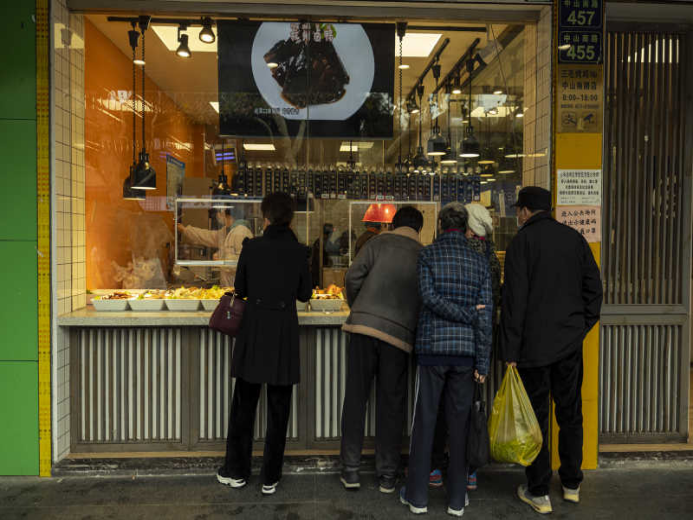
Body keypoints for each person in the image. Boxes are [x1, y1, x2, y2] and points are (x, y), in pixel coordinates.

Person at [500, 187, 602, 514]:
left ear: (527, 211)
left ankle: (539, 490)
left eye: (519, 210)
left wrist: (510, 351)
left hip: (533, 348)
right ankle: (572, 483)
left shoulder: (522, 243)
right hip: (569, 347)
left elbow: (514, 303)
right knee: (570, 413)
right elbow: (594, 291)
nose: (518, 215)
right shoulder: (574, 240)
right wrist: (578, 329)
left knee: (536, 419)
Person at [216, 192, 312, 496]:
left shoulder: (252, 247)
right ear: (292, 218)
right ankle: (271, 476)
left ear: (265, 217)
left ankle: (237, 471)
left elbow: (240, 288)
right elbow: (305, 294)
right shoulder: (299, 251)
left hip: (254, 331)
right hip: (283, 332)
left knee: (244, 404)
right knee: (278, 408)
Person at [401, 202, 493, 517]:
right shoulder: (479, 262)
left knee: (425, 423)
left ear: (439, 225)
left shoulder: (427, 255)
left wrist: (460, 312)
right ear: (464, 225)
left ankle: (417, 497)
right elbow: (485, 316)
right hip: (466, 354)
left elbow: (428, 298)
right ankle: (456, 500)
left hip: (432, 351)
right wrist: (483, 362)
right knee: (460, 426)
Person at [340, 206, 424, 494]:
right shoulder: (423, 253)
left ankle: (350, 470)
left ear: (393, 224)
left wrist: (359, 308)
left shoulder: (377, 243)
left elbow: (352, 278)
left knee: (355, 398)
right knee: (392, 405)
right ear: (419, 229)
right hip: (398, 338)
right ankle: (387, 475)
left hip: (363, 331)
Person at [429, 203, 502, 491]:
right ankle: (468, 471)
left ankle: (435, 466)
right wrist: (484, 358)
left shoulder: (443, 251)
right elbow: (488, 310)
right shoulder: (490, 259)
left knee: (438, 410)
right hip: (475, 344)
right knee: (470, 409)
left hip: (442, 342)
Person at [177, 207, 253, 286]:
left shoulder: (242, 232)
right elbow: (207, 236)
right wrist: (185, 230)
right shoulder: (227, 231)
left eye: (223, 215)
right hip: (229, 286)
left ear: (230, 217)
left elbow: (243, 262)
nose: (220, 218)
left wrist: (221, 258)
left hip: (239, 287)